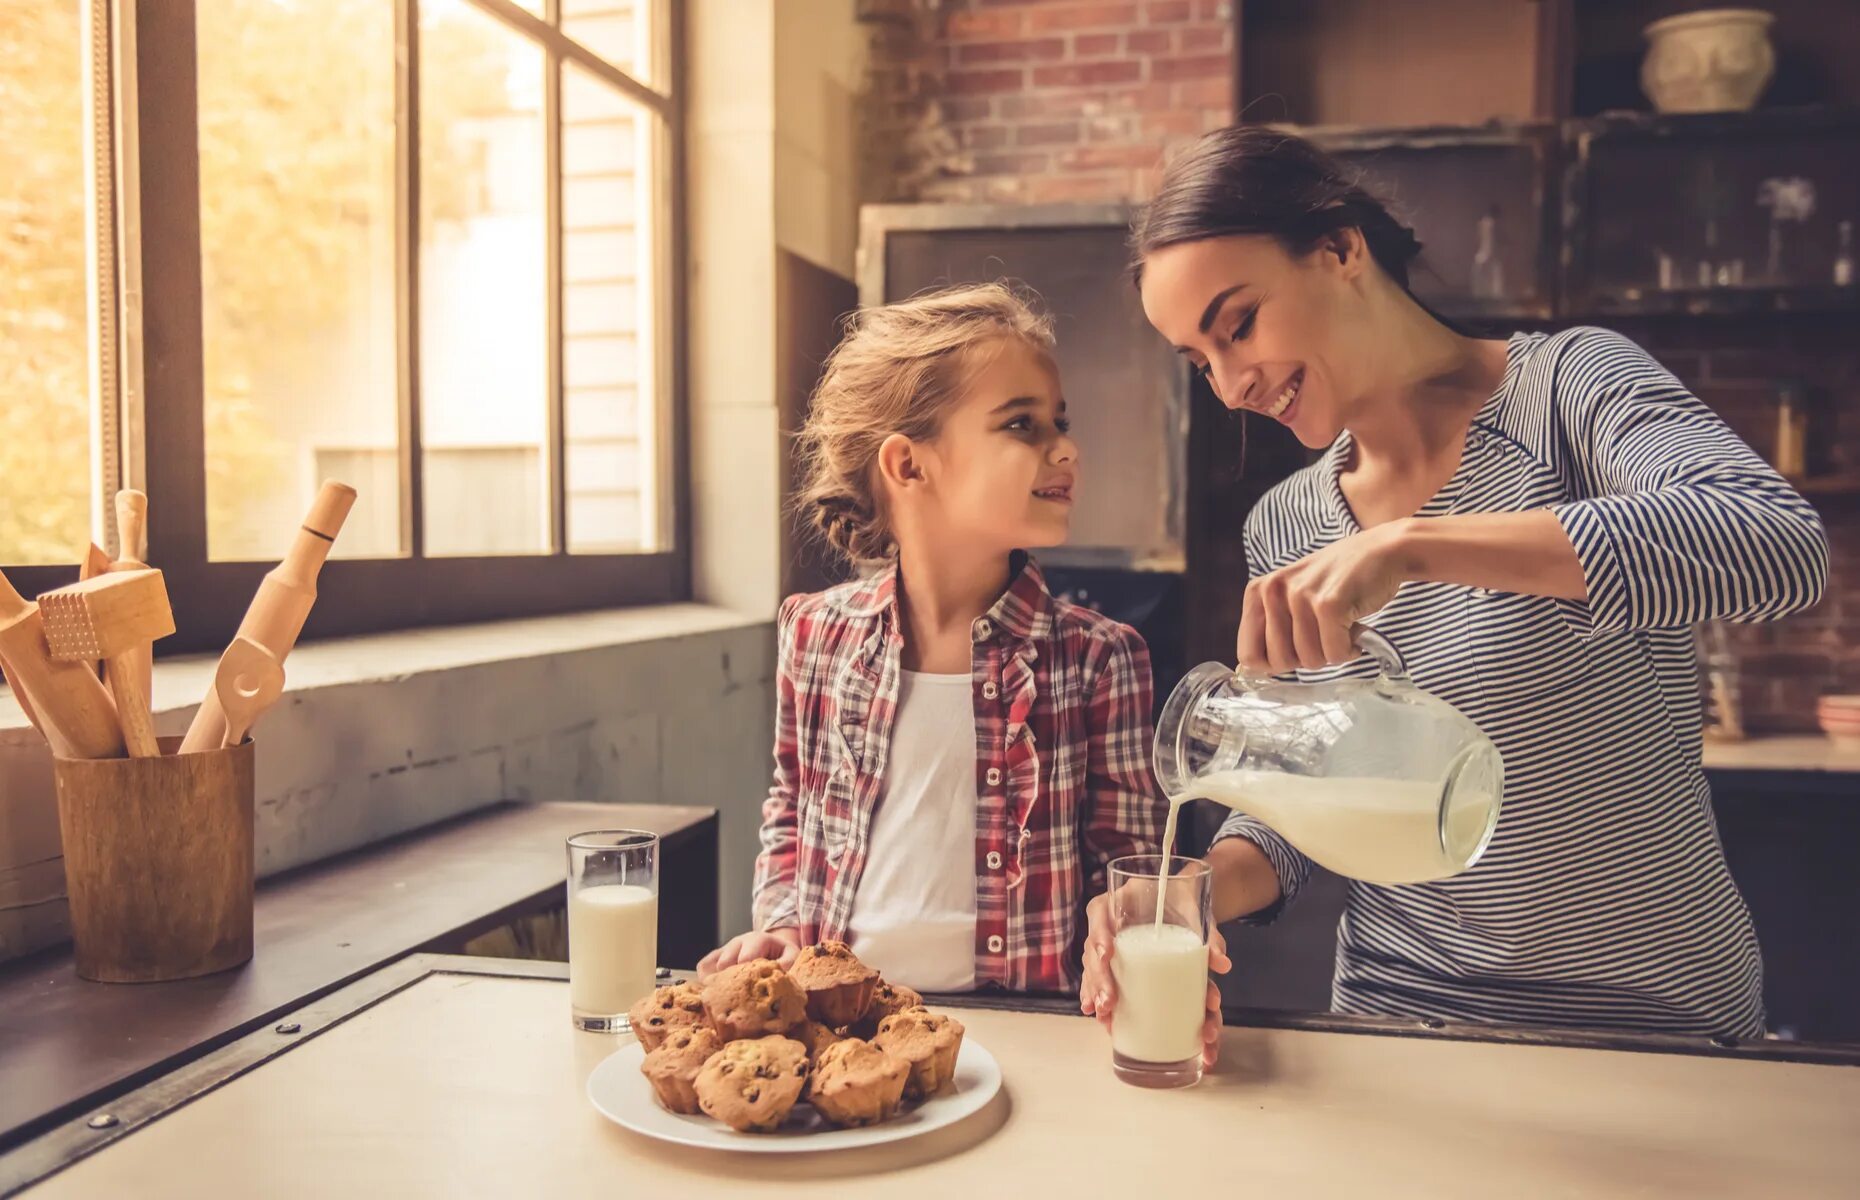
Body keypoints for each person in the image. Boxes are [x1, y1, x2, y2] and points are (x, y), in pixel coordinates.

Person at [1083, 127, 1828, 1045]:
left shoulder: (1568, 391)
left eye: (1238, 324)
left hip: (1656, 1019)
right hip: (1406, 1018)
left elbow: (1776, 544)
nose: (1231, 385)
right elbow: (1302, 795)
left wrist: (1418, 544)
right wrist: (1194, 896)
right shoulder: (1284, 528)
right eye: (1200, 360)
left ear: (1340, 249)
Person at [700, 283, 1168, 995]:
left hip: (1031, 1032)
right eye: (1022, 425)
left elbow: (1129, 864)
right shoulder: (814, 633)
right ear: (907, 465)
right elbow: (793, 809)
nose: (1066, 448)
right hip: (848, 1029)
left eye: (1059, 422)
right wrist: (784, 923)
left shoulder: (1101, 657)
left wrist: (1132, 935)